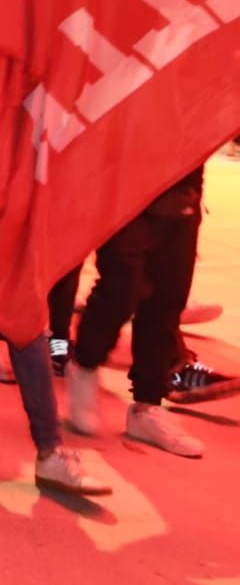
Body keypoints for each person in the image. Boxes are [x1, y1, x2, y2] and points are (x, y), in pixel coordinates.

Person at [66, 165, 212, 458]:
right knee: (121, 290)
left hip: (182, 176)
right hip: (126, 175)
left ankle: (148, 405)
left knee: (167, 298)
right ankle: (85, 364)